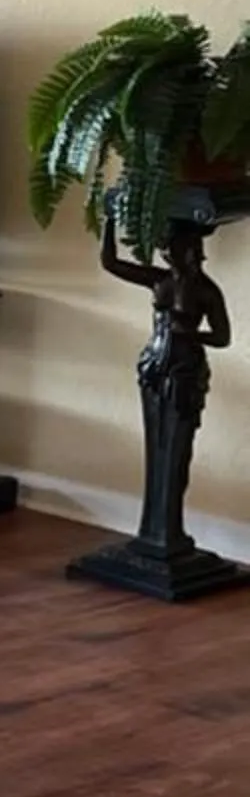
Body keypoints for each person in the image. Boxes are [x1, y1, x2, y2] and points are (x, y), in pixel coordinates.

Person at [99, 206, 231, 554]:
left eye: (172, 247)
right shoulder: (160, 280)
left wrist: (189, 333)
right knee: (155, 442)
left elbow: (223, 337)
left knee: (175, 449)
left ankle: (168, 533)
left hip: (184, 370)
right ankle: (152, 531)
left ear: (190, 251)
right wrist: (109, 220)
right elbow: (112, 264)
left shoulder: (206, 291)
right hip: (154, 366)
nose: (165, 252)